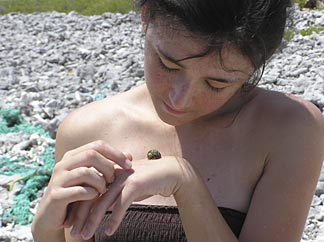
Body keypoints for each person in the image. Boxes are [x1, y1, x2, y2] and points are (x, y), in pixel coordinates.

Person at [32, 0, 324, 241]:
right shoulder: (86, 129)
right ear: (145, 18)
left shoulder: (289, 130)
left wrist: (187, 186)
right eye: (168, 65)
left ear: (256, 65)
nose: (179, 100)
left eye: (215, 84)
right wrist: (45, 230)